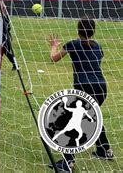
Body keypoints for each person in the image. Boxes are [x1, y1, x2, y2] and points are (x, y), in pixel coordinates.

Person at [48, 18, 113, 171]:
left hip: (84, 87)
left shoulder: (73, 44)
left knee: (66, 120)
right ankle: (105, 150)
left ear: (78, 30)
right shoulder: (98, 46)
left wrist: (54, 46)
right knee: (93, 116)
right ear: (93, 31)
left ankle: (67, 162)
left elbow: (54, 58)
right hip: (102, 87)